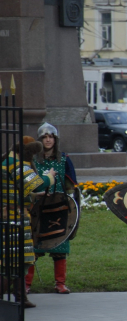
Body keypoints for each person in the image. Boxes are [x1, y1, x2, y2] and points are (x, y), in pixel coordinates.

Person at [1, 137, 55, 309]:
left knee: (18, 260)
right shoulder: (15, 164)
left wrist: (30, 196)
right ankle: (17, 297)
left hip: (12, 214)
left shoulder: (7, 160)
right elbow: (38, 185)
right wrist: (49, 177)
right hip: (13, 217)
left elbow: (14, 188)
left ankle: (21, 297)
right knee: (12, 261)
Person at [25, 123, 78, 295]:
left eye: (51, 137)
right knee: (32, 248)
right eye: (45, 137)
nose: (48, 140)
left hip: (59, 208)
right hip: (38, 208)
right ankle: (26, 284)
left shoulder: (64, 159)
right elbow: (27, 184)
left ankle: (60, 283)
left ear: (55, 139)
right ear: (40, 140)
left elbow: (71, 187)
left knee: (60, 247)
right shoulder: (32, 160)